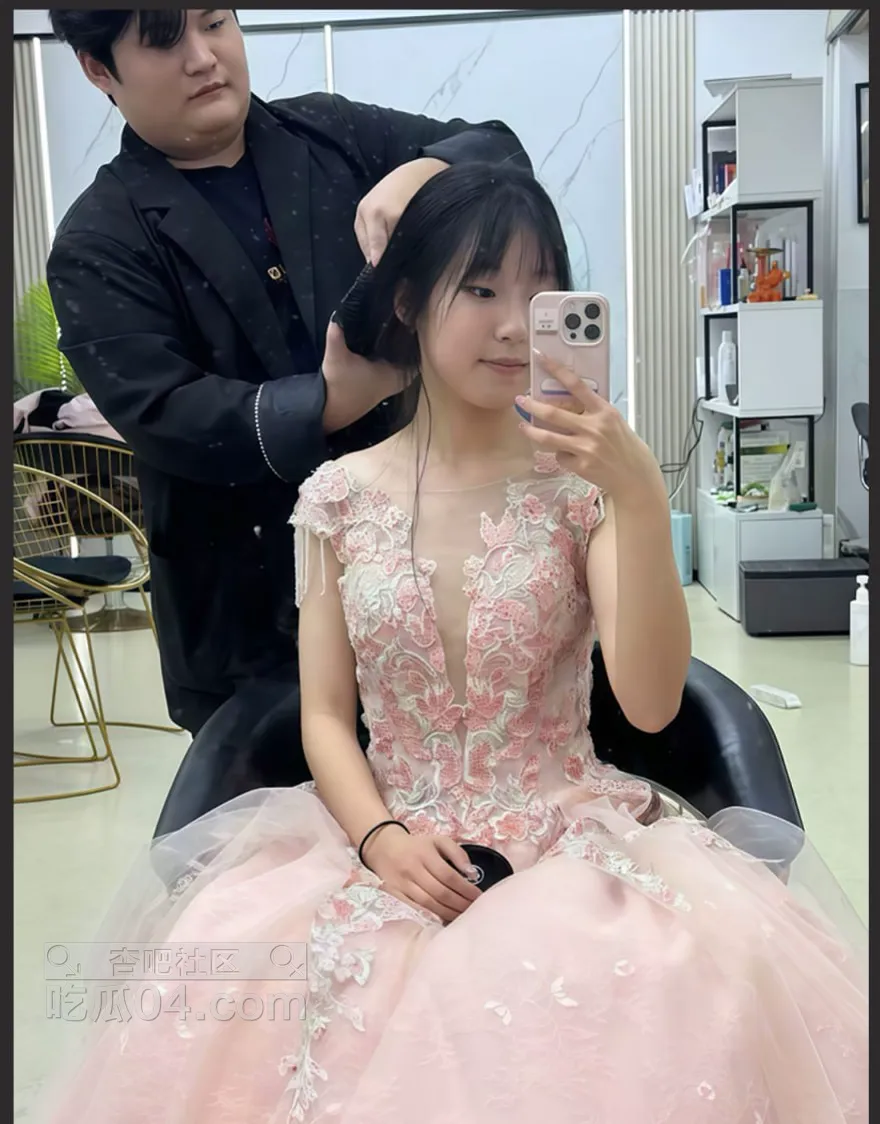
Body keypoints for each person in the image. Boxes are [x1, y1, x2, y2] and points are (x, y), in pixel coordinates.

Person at [37, 163, 866, 1124]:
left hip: (568, 843)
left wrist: (638, 493)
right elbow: (324, 715)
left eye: (537, 294)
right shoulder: (337, 498)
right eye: (479, 290)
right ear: (408, 303)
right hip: (383, 837)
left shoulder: (582, 492)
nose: (513, 325)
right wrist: (380, 839)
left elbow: (647, 705)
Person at [45, 9, 531, 831]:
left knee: (457, 829)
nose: (205, 58)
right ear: (100, 70)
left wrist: (426, 171)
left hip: (418, 582)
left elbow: (498, 151)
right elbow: (166, 414)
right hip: (246, 612)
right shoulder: (99, 239)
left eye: (216, 22)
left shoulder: (332, 135)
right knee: (283, 856)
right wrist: (333, 399)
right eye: (165, 41)